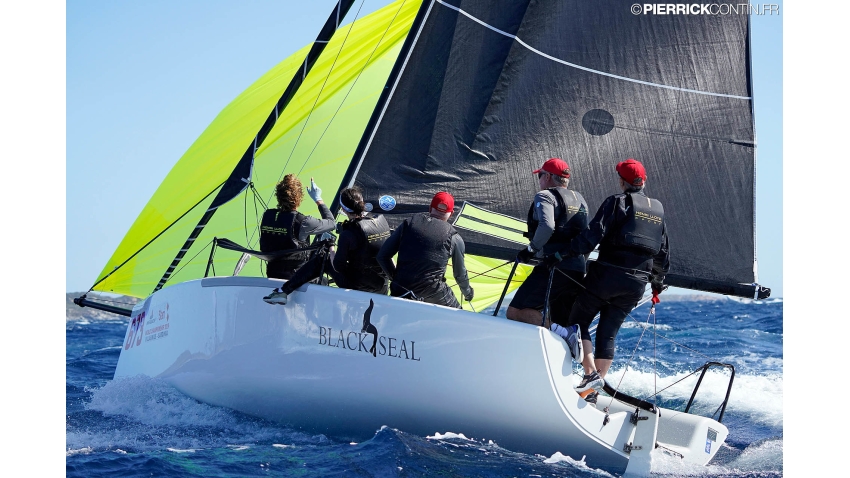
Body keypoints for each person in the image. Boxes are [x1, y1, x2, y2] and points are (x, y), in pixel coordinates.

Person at [551, 158, 669, 405]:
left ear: (622, 182)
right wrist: (657, 283)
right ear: (643, 181)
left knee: (577, 320)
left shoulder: (617, 202)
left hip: (607, 276)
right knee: (608, 334)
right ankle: (592, 391)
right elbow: (663, 253)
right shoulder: (657, 210)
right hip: (637, 285)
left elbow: (593, 234)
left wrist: (565, 252)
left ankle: (590, 374)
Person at [508, 158, 589, 359]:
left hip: (553, 267)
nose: (539, 180)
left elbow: (547, 226)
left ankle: (566, 334)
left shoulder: (544, 196)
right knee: (559, 319)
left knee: (515, 311)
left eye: (540, 175)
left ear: (549, 177)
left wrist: (530, 249)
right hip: (577, 270)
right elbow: (587, 236)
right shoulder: (580, 198)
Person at [262, 186, 392, 305]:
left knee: (321, 259)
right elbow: (388, 256)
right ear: (362, 202)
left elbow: (337, 266)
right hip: (382, 287)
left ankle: (283, 291)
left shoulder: (348, 234)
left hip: (358, 288)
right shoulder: (381, 220)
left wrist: (331, 247)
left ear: (342, 209)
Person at [376, 191, 474, 309]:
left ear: (430, 208)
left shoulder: (409, 223)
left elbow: (382, 256)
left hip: (400, 289)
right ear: (451, 213)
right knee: (460, 316)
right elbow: (459, 274)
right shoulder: (454, 237)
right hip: (432, 292)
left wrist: (395, 279)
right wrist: (468, 293)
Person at [260, 174, 335, 301]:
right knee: (324, 279)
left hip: (272, 273)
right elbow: (331, 223)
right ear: (299, 197)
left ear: (278, 196)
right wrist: (318, 199)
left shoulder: (268, 216)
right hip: (296, 277)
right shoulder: (303, 222)